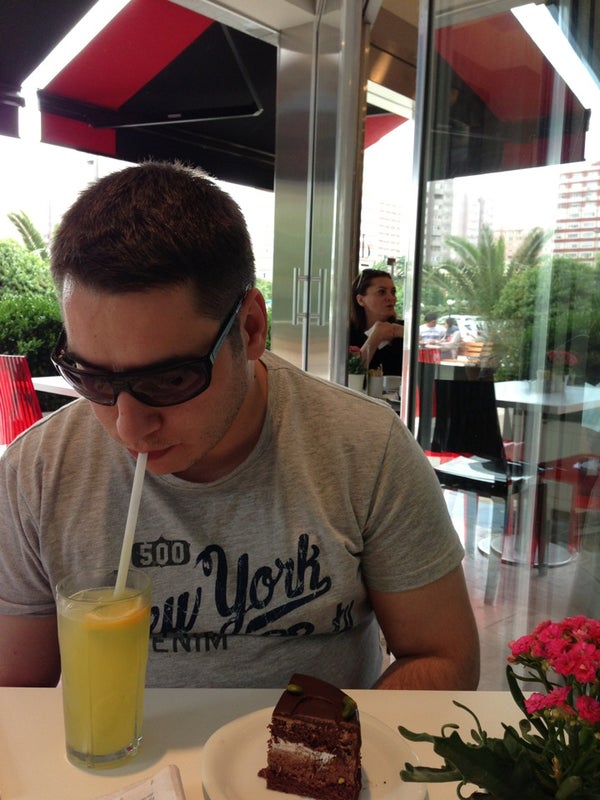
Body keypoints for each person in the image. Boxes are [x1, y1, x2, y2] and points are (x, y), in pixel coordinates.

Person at [0, 162, 479, 691]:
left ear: (250, 328)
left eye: (171, 378)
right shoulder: (37, 472)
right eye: (91, 377)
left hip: (316, 744)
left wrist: (334, 738)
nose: (130, 427)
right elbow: (15, 693)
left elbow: (444, 657)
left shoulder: (366, 448)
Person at [349, 269, 404, 375]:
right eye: (381, 292)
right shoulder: (347, 333)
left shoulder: (404, 329)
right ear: (361, 300)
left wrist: (408, 335)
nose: (391, 298)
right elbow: (350, 377)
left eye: (393, 292)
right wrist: (376, 336)